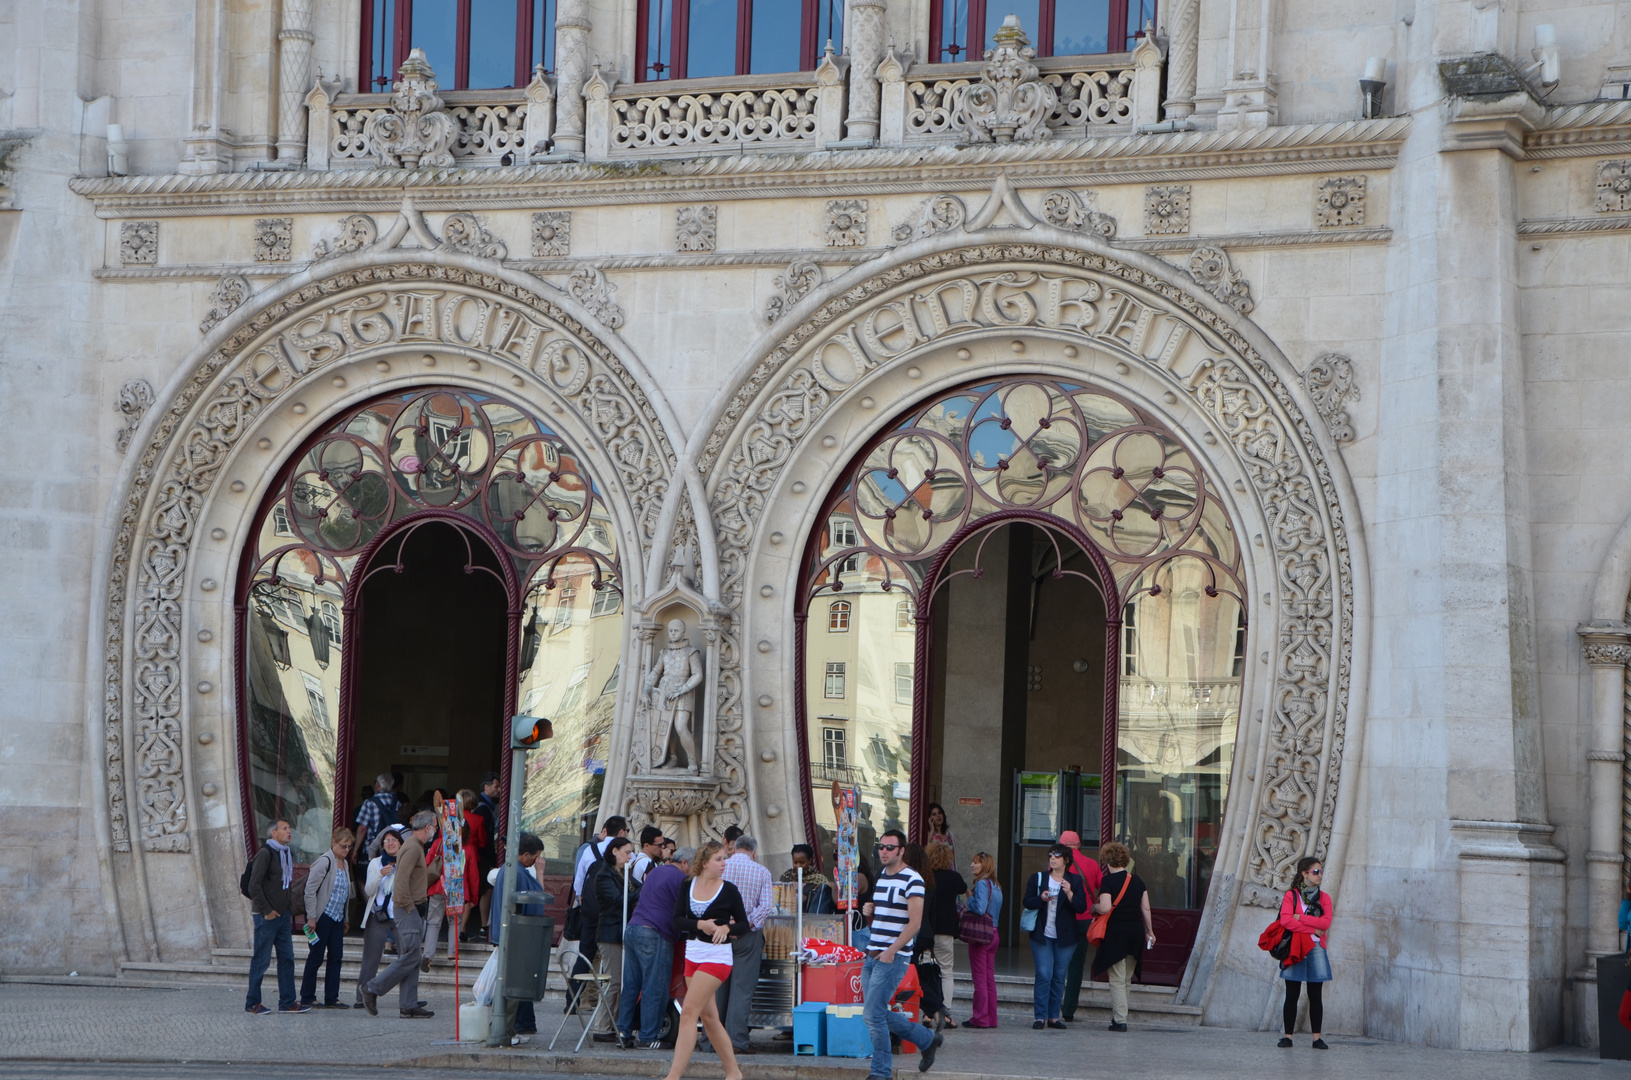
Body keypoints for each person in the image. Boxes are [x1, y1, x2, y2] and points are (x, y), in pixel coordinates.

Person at [858, 829, 943, 1080]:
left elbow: (915, 924)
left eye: (889, 847)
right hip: (873, 954)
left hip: (893, 958)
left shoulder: (913, 879)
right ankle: (927, 1040)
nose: (883, 851)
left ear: (901, 851)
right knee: (874, 1013)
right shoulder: (882, 875)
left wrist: (892, 951)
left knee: (873, 1015)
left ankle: (881, 1073)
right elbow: (883, 919)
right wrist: (869, 910)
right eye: (880, 847)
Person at [662, 842, 747, 1080]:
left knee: (688, 1012)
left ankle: (673, 1076)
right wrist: (700, 924)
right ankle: (734, 1072)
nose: (724, 864)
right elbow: (677, 920)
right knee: (709, 1017)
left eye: (724, 859)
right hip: (693, 953)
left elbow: (743, 924)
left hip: (717, 957)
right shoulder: (688, 884)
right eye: (719, 859)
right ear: (704, 862)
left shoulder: (729, 890)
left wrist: (726, 928)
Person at [361, 810, 440, 1018]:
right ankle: (372, 988)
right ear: (426, 828)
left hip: (409, 907)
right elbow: (401, 880)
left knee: (412, 956)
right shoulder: (413, 847)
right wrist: (410, 908)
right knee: (411, 955)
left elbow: (413, 878)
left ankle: (408, 1003)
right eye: (434, 826)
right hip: (407, 908)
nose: (435, 830)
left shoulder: (415, 846)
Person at [621, 845, 691, 1049]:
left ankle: (623, 1032)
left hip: (633, 928)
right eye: (694, 866)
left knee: (631, 985)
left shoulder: (656, 871)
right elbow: (687, 909)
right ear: (685, 863)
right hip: (656, 932)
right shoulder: (681, 880)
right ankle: (648, 1036)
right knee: (655, 986)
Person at [711, 835, 773, 1056]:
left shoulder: (720, 868)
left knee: (717, 988)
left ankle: (713, 1041)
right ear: (753, 853)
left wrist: (725, 924)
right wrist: (744, 925)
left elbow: (709, 900)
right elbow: (766, 906)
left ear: (733, 849)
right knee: (742, 989)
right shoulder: (762, 872)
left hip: (718, 934)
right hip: (747, 936)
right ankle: (736, 1040)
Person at [1021, 844, 1087, 1030]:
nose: (1052, 858)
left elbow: (1081, 907)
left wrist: (1070, 893)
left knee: (1058, 976)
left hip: (1066, 937)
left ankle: (1053, 1017)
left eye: (1057, 855)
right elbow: (1027, 900)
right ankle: (1040, 1016)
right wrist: (1040, 898)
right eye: (1051, 855)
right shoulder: (1039, 878)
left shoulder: (1075, 880)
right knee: (1044, 974)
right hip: (1042, 934)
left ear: (1066, 860)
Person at [490, 832, 547, 1043]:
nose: (536, 860)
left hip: (510, 933)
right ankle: (503, 1030)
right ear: (524, 854)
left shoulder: (511, 870)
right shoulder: (519, 874)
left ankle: (508, 1029)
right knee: (513, 987)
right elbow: (536, 900)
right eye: (535, 855)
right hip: (518, 935)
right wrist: (540, 873)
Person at [1090, 841, 1153, 1033]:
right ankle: (1121, 1016)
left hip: (1116, 933)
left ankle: (1120, 1020)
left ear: (1107, 861)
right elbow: (1145, 908)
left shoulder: (1108, 881)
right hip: (1135, 932)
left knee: (1117, 978)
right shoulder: (1138, 881)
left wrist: (1094, 907)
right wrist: (1150, 931)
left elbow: (1106, 907)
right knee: (1125, 979)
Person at [245, 818, 306, 1014]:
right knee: (261, 960)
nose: (289, 831)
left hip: (283, 916)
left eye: (289, 828)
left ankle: (288, 1001)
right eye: (285, 828)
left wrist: (287, 909)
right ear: (274, 833)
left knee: (287, 958)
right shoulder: (265, 854)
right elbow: (254, 885)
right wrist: (267, 911)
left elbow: (285, 884)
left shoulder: (286, 853)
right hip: (267, 917)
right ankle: (252, 1002)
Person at [1276, 856, 1333, 1050]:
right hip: (1296, 947)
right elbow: (1285, 921)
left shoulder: (1324, 898)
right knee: (1292, 994)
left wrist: (1300, 917)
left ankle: (1317, 1038)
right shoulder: (1291, 896)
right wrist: (1311, 929)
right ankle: (1287, 1037)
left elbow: (1325, 923)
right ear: (1304, 873)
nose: (1319, 875)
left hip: (1316, 949)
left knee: (1315, 995)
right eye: (1316, 872)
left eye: (1320, 872)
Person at [298, 827, 354, 1009]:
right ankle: (307, 995)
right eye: (343, 846)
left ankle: (332, 997)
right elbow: (310, 890)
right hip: (323, 916)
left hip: (337, 917)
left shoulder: (344, 864)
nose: (346, 850)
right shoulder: (324, 862)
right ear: (334, 843)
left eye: (349, 847)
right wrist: (312, 917)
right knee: (316, 956)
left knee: (336, 956)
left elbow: (345, 892)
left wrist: (345, 918)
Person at [592, 836, 639, 1043]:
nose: (630, 856)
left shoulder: (623, 873)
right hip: (610, 933)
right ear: (615, 851)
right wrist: (643, 891)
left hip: (621, 931)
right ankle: (601, 1027)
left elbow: (637, 888)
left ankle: (613, 1024)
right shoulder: (605, 874)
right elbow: (619, 900)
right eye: (627, 852)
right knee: (614, 981)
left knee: (621, 982)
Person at [353, 825, 404, 1008]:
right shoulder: (375, 863)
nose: (390, 843)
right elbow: (368, 890)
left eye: (394, 840)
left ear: (400, 844)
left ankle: (406, 999)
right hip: (378, 915)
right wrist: (380, 876)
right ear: (382, 845)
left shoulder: (405, 862)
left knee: (406, 958)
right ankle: (361, 996)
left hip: (399, 915)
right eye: (387, 841)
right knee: (370, 958)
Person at [1056, 830, 1103, 1022]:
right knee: (1076, 966)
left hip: (1062, 920)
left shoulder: (1058, 864)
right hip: (1085, 920)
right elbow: (1103, 887)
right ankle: (1068, 1010)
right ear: (1079, 844)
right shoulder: (1091, 864)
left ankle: (1052, 1007)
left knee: (1057, 964)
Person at [903, 843, 945, 1025]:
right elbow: (933, 913)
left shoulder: (909, 882)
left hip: (912, 933)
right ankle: (933, 1008)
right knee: (913, 972)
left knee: (907, 973)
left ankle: (934, 1006)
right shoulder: (929, 883)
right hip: (925, 933)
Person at [924, 842, 965, 1028]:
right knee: (946, 971)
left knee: (925, 971)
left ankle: (928, 1013)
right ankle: (946, 1012)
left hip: (926, 930)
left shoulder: (924, 877)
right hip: (946, 930)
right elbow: (964, 888)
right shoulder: (954, 878)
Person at [963, 852, 1002, 1028]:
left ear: (985, 866)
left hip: (981, 936)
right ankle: (991, 1018)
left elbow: (979, 909)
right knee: (989, 979)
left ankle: (980, 1018)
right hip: (994, 933)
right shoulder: (996, 885)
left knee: (979, 979)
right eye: (972, 862)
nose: (972, 866)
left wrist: (969, 898)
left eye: (976, 863)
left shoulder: (981, 884)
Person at [353, 774, 401, 875]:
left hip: (372, 847)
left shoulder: (369, 803)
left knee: (365, 877)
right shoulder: (397, 802)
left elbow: (362, 828)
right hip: (392, 847)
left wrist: (355, 850)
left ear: (378, 785)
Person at [421, 807, 448, 974]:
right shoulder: (466, 846)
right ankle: (453, 952)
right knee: (455, 922)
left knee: (433, 922)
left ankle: (428, 955)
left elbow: (426, 863)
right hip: (456, 888)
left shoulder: (438, 843)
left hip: (437, 887)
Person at [473, 772, 500, 936]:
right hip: (481, 856)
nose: (499, 790)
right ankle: (483, 925)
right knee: (485, 889)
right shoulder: (483, 809)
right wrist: (493, 857)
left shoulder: (483, 806)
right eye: (496, 786)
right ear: (486, 787)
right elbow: (486, 838)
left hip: (477, 855)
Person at [458, 789, 486, 942]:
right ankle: (462, 928)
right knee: (467, 891)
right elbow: (483, 842)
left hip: (453, 855)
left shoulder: (450, 819)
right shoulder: (478, 819)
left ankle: (453, 926)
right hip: (471, 855)